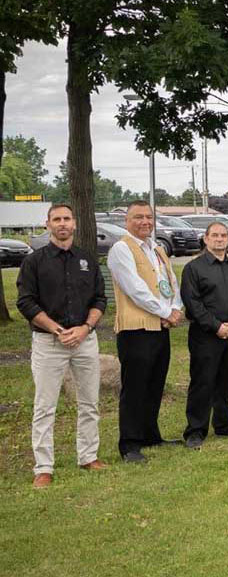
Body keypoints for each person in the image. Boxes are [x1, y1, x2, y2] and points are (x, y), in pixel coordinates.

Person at [18, 203, 108, 487]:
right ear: (48, 224)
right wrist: (57, 330)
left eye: (67, 218)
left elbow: (100, 299)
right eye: (56, 219)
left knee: (90, 403)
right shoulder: (34, 262)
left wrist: (85, 328)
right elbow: (26, 302)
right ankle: (44, 467)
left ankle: (88, 456)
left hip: (85, 340)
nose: (62, 224)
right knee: (45, 407)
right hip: (49, 342)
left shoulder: (86, 259)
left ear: (74, 223)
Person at [107, 200, 183, 462]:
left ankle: (151, 435)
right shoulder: (121, 249)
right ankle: (130, 443)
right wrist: (166, 312)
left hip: (160, 328)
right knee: (135, 386)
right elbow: (135, 289)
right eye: (138, 217)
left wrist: (175, 308)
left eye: (149, 217)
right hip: (135, 329)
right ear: (126, 221)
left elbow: (171, 282)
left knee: (154, 383)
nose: (145, 222)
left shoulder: (157, 249)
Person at [180, 221, 228, 449]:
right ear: (206, 238)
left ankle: (224, 424)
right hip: (206, 335)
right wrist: (216, 326)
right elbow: (193, 304)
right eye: (215, 235)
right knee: (203, 381)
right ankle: (195, 430)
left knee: (226, 380)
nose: (219, 239)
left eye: (223, 235)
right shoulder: (194, 269)